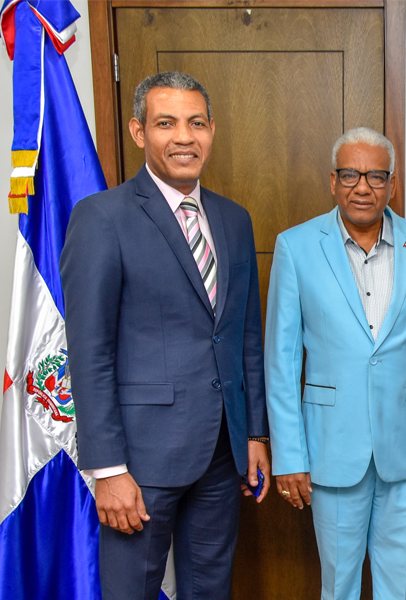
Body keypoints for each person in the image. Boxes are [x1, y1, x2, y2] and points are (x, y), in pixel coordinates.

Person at [60, 72, 269, 600]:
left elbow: (244, 338)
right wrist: (107, 469)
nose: (184, 137)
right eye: (166, 123)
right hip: (139, 461)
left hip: (223, 456)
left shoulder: (233, 219)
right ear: (138, 132)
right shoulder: (101, 218)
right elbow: (90, 353)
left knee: (210, 590)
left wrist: (256, 435)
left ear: (212, 130)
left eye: (196, 123)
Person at [265, 127, 406, 600]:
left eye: (375, 175)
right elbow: (282, 360)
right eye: (350, 174)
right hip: (331, 450)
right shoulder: (296, 247)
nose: (362, 186)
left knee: (398, 585)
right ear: (333, 181)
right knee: (339, 587)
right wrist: (289, 455)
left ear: (391, 184)